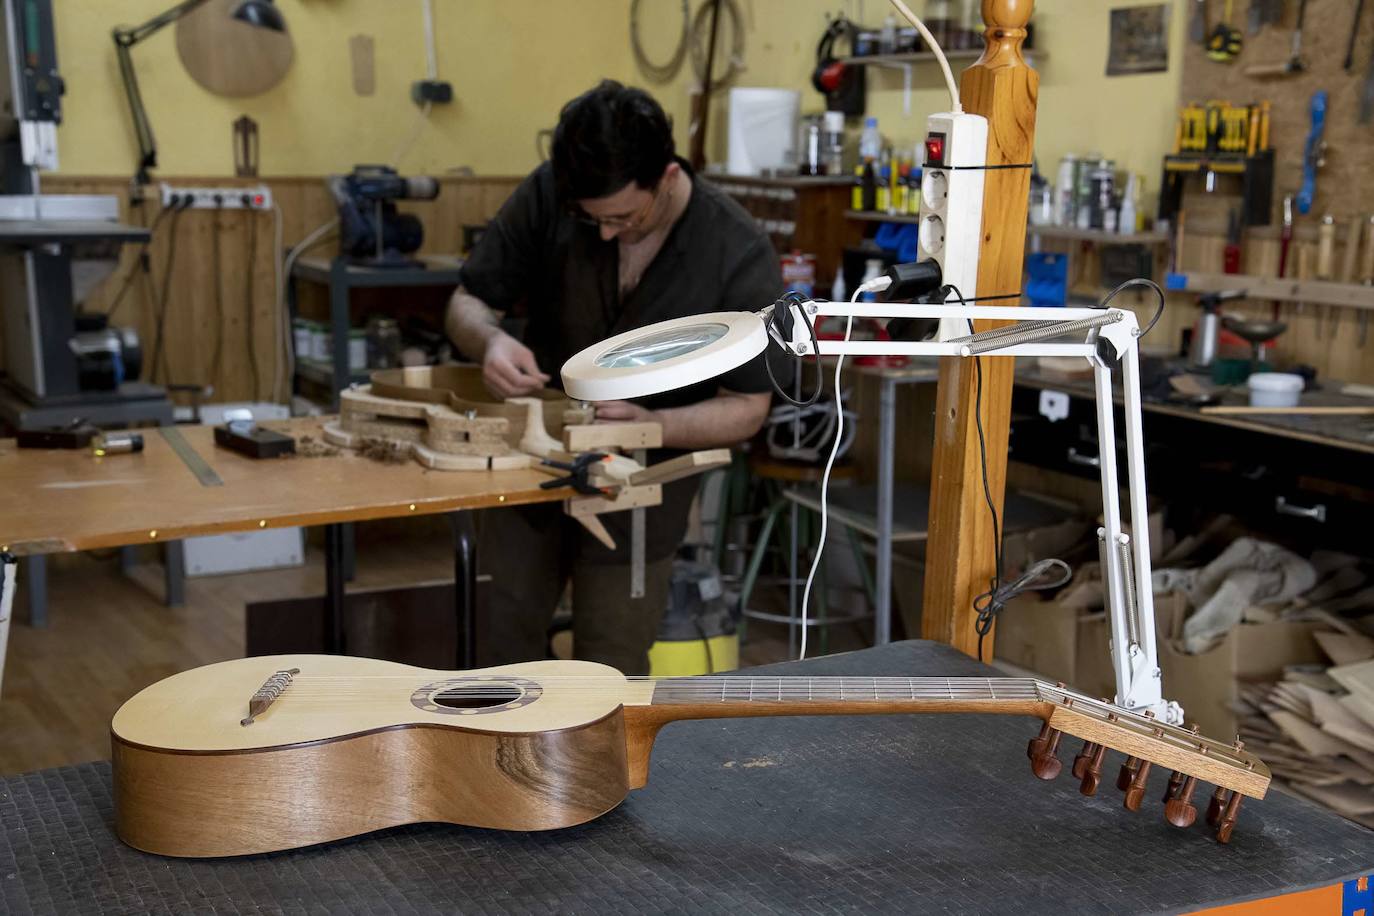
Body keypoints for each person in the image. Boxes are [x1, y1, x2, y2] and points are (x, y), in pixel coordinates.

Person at [446, 80, 784, 675]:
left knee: (612, 665)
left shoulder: (736, 249)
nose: (604, 234)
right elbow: (468, 300)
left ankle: (597, 770)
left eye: (624, 217)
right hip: (535, 461)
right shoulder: (550, 193)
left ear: (669, 176)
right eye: (589, 219)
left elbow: (749, 407)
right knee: (501, 646)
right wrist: (491, 340)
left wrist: (655, 424)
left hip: (645, 479)